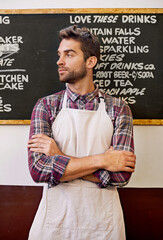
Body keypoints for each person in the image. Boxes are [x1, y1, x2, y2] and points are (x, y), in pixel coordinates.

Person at [28, 25, 136, 240]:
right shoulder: (46, 106)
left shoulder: (118, 108)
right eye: (59, 55)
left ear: (90, 62)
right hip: (54, 224)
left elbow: (121, 176)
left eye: (69, 54)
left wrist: (58, 157)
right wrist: (104, 160)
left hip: (104, 225)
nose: (59, 61)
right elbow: (39, 171)